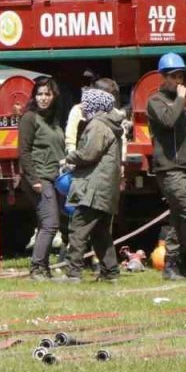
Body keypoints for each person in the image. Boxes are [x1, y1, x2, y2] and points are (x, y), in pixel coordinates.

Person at [61, 81, 124, 282]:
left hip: (94, 188)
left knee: (78, 228)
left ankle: (73, 273)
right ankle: (110, 273)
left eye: (86, 103)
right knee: (100, 232)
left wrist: (69, 159)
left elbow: (89, 154)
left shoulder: (98, 125)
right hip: (105, 188)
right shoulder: (110, 124)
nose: (83, 107)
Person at [147, 52, 186, 280]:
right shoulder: (155, 101)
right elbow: (167, 121)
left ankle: (180, 262)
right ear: (163, 77)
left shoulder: (181, 103)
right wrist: (180, 99)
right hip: (170, 169)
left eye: (181, 75)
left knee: (180, 217)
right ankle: (173, 259)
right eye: (174, 76)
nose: (179, 81)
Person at [18, 76, 66, 280]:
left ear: (54, 96)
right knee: (50, 223)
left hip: (55, 178)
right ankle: (37, 268)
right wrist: (34, 179)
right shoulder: (29, 118)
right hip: (39, 178)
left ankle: (44, 268)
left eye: (47, 94)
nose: (43, 98)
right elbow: (24, 151)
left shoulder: (54, 120)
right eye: (39, 94)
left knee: (45, 223)